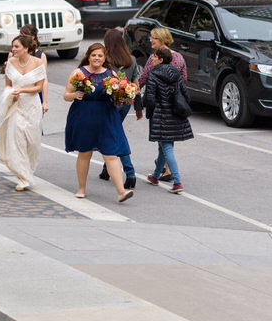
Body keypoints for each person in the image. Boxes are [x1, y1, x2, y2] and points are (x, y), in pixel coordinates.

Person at [63, 43, 134, 203]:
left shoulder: (111, 74)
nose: (97, 58)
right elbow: (66, 95)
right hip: (84, 117)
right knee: (84, 153)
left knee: (110, 154)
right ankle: (81, 188)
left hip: (106, 118)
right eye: (94, 55)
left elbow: (118, 96)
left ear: (104, 58)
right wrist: (75, 94)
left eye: (100, 56)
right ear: (88, 56)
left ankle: (121, 191)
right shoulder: (78, 73)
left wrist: (124, 95)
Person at [0, 34, 46, 191]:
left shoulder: (38, 62)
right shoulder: (10, 62)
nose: (13, 49)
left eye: (16, 46)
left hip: (32, 107)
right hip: (16, 106)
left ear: (26, 48)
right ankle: (22, 177)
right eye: (12, 46)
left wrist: (22, 90)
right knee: (17, 141)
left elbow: (38, 87)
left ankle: (28, 170)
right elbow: (8, 86)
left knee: (32, 142)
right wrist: (11, 96)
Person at [138, 27, 187, 183]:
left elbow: (143, 79)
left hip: (160, 108)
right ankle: (157, 174)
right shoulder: (179, 58)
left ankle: (175, 179)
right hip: (175, 107)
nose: (150, 40)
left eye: (154, 38)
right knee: (166, 142)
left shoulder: (155, 58)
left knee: (164, 142)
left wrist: (132, 95)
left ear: (162, 40)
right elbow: (184, 81)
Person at [97, 29, 143, 189]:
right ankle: (107, 169)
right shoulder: (131, 59)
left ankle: (130, 172)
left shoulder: (106, 60)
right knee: (112, 133)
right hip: (126, 103)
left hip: (109, 104)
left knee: (116, 135)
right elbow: (136, 84)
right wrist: (138, 107)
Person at [144, 47, 193, 194]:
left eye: (154, 57)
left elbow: (150, 99)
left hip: (161, 116)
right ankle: (156, 176)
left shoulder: (153, 75)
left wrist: (149, 114)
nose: (152, 59)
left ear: (160, 59)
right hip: (175, 114)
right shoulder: (176, 73)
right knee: (163, 146)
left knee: (166, 147)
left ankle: (177, 182)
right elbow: (187, 95)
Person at [19, 24, 48, 113]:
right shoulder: (14, 54)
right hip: (18, 95)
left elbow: (44, 79)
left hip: (35, 95)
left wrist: (45, 102)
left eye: (24, 35)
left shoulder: (41, 56)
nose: (22, 38)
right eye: (20, 35)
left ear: (33, 37)